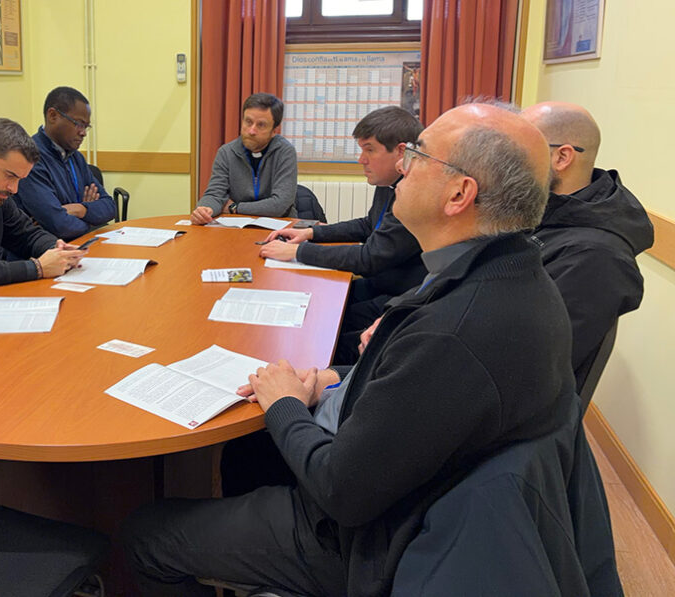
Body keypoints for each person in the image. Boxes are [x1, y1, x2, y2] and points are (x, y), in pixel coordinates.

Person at [122, 104, 577, 597]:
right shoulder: (506, 274)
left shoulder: (456, 331)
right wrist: (334, 377)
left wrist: (286, 403)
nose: (403, 166)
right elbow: (409, 386)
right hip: (407, 488)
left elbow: (343, 490)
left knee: (144, 534)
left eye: (418, 156)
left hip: (367, 541)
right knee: (245, 449)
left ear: (459, 194)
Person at [259, 106, 426, 364]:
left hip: (398, 297)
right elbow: (368, 225)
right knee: (315, 304)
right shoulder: (389, 182)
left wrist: (298, 252)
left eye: (369, 150)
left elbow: (369, 258)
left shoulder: (414, 195)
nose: (361, 159)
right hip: (380, 283)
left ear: (401, 152)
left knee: (324, 329)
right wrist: (311, 233)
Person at [520, 102, 654, 392]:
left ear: (562, 157)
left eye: (518, 148)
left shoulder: (597, 258)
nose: (506, 161)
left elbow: (531, 368)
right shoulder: (542, 209)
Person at [0, 118, 87, 291]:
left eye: (20, 179)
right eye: (10, 176)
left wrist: (57, 248)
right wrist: (37, 268)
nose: (14, 189)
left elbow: (27, 235)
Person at [13, 86, 116, 241]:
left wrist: (80, 209)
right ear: (53, 116)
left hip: (79, 244)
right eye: (78, 124)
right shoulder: (31, 158)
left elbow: (110, 207)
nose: (83, 133)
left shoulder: (76, 157)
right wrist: (91, 219)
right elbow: (60, 225)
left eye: (86, 127)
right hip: (49, 250)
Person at [191, 93, 298, 223]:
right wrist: (204, 209)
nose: (251, 131)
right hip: (236, 226)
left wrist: (234, 207)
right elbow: (215, 194)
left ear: (274, 131)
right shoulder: (226, 152)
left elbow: (279, 205)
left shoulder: (285, 152)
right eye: (248, 122)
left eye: (261, 125)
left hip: (280, 225)